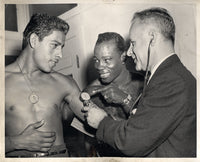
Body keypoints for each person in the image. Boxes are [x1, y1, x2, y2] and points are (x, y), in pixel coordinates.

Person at [83, 7, 196, 157]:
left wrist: (102, 122)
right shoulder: (165, 76)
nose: (129, 52)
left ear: (152, 38)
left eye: (134, 43)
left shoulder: (171, 81)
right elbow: (150, 123)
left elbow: (131, 141)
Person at [5, 13, 85, 157]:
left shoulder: (64, 82)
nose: (60, 55)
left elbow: (97, 122)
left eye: (62, 47)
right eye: (54, 45)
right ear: (34, 40)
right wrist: (15, 142)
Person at [83, 32, 143, 156]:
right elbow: (86, 136)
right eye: (96, 60)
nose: (99, 66)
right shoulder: (91, 91)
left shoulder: (141, 85)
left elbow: (147, 128)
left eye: (107, 60)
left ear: (122, 57)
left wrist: (125, 99)